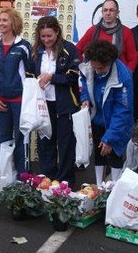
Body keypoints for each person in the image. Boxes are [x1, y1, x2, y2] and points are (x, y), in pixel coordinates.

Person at [29, 16, 80, 186]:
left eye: (49, 36)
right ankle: (47, 178)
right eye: (43, 36)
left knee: (65, 144)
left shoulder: (69, 49)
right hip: (43, 104)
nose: (46, 40)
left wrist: (51, 78)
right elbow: (30, 74)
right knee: (45, 141)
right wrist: (36, 81)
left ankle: (65, 181)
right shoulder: (36, 51)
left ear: (57, 32)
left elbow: (73, 76)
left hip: (64, 104)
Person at [79, 39, 133, 185]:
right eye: (94, 67)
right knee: (99, 153)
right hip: (97, 118)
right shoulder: (89, 65)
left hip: (115, 121)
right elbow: (83, 81)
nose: (97, 71)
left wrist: (110, 138)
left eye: (101, 68)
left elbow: (122, 111)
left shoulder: (123, 76)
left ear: (109, 62)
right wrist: (85, 98)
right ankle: (98, 187)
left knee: (114, 153)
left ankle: (114, 189)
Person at [0, 7, 31, 176]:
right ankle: (3, 176)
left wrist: (27, 99)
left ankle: (23, 177)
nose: (1, 23)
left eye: (5, 20)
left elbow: (30, 75)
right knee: (3, 139)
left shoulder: (23, 47)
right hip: (0, 101)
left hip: (20, 101)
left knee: (22, 139)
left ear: (14, 23)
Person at [76, 0, 138, 72]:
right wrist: (84, 69)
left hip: (118, 77)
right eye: (105, 10)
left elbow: (133, 59)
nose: (108, 13)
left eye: (111, 10)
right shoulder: (93, 30)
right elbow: (77, 50)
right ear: (102, 12)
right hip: (96, 76)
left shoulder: (126, 32)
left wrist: (126, 75)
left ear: (117, 13)